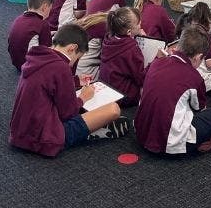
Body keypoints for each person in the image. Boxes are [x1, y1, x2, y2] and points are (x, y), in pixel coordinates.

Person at [9, 23, 129, 157]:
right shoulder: (61, 67)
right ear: (72, 48)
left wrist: (76, 81)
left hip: (19, 134)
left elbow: (47, 82)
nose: (73, 63)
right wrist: (83, 97)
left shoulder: (37, 57)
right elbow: (68, 113)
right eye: (77, 58)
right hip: (44, 139)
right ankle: (90, 133)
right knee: (113, 110)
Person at [134, 24, 211, 156]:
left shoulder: (157, 63)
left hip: (141, 134)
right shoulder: (194, 77)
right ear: (198, 57)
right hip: (171, 145)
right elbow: (199, 110)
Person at [97, 6, 146, 106]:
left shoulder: (108, 39)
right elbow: (141, 78)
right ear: (129, 32)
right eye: (138, 24)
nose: (140, 26)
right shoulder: (131, 49)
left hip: (107, 89)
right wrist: (157, 59)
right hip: (122, 95)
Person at [175, 2, 211, 93]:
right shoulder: (206, 38)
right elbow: (210, 64)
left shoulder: (185, 33)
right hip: (204, 82)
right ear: (208, 22)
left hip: (185, 78)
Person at [7, 0, 54, 70]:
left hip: (16, 62)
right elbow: (48, 52)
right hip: (31, 67)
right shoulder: (43, 24)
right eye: (50, 8)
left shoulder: (18, 19)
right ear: (45, 7)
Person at [74, 12, 109, 81]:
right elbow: (109, 57)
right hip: (84, 70)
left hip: (74, 62)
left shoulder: (98, 18)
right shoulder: (105, 27)